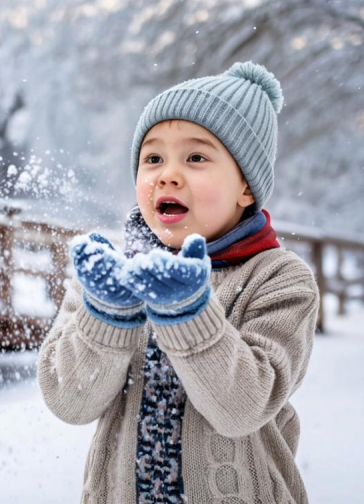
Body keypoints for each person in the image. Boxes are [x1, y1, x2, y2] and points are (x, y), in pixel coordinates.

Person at [37, 62, 319, 503]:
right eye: (153, 158)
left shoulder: (279, 280)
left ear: (246, 186)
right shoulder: (111, 279)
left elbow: (241, 410)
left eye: (196, 157)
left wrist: (188, 312)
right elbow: (70, 403)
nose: (167, 174)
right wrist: (107, 315)